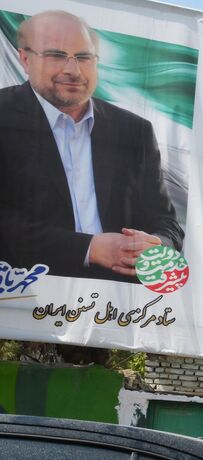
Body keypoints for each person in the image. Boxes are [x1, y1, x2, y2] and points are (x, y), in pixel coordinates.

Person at [0, 9, 182, 281]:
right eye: (56, 55)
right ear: (25, 59)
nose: (72, 70)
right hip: (23, 297)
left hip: (120, 306)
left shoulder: (135, 131)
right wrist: (89, 249)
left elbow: (168, 226)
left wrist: (155, 243)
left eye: (83, 57)